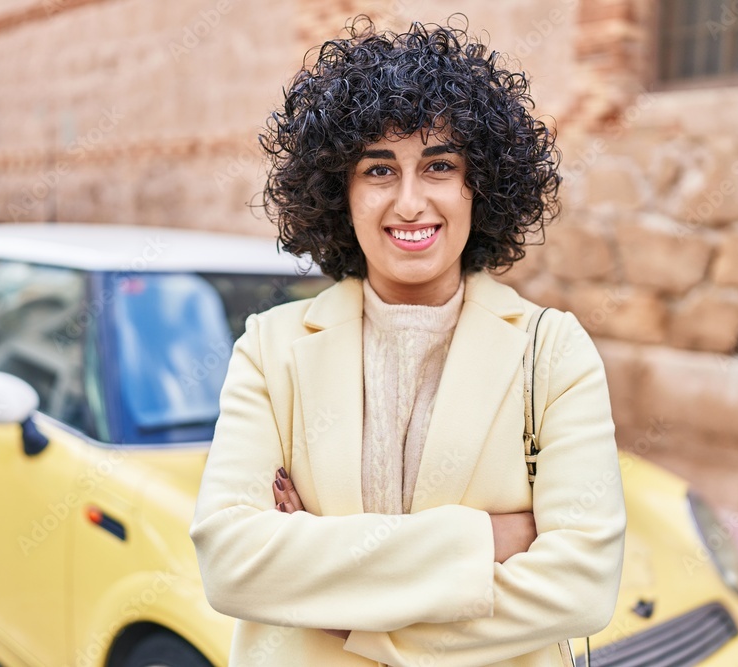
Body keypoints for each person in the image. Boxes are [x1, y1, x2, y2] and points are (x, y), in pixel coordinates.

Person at [190, 16, 626, 667]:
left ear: (480, 184)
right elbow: (230, 561)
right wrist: (490, 540)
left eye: (440, 165)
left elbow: (582, 587)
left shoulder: (552, 352)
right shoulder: (271, 348)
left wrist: (355, 615)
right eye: (379, 169)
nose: (412, 201)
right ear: (340, 190)